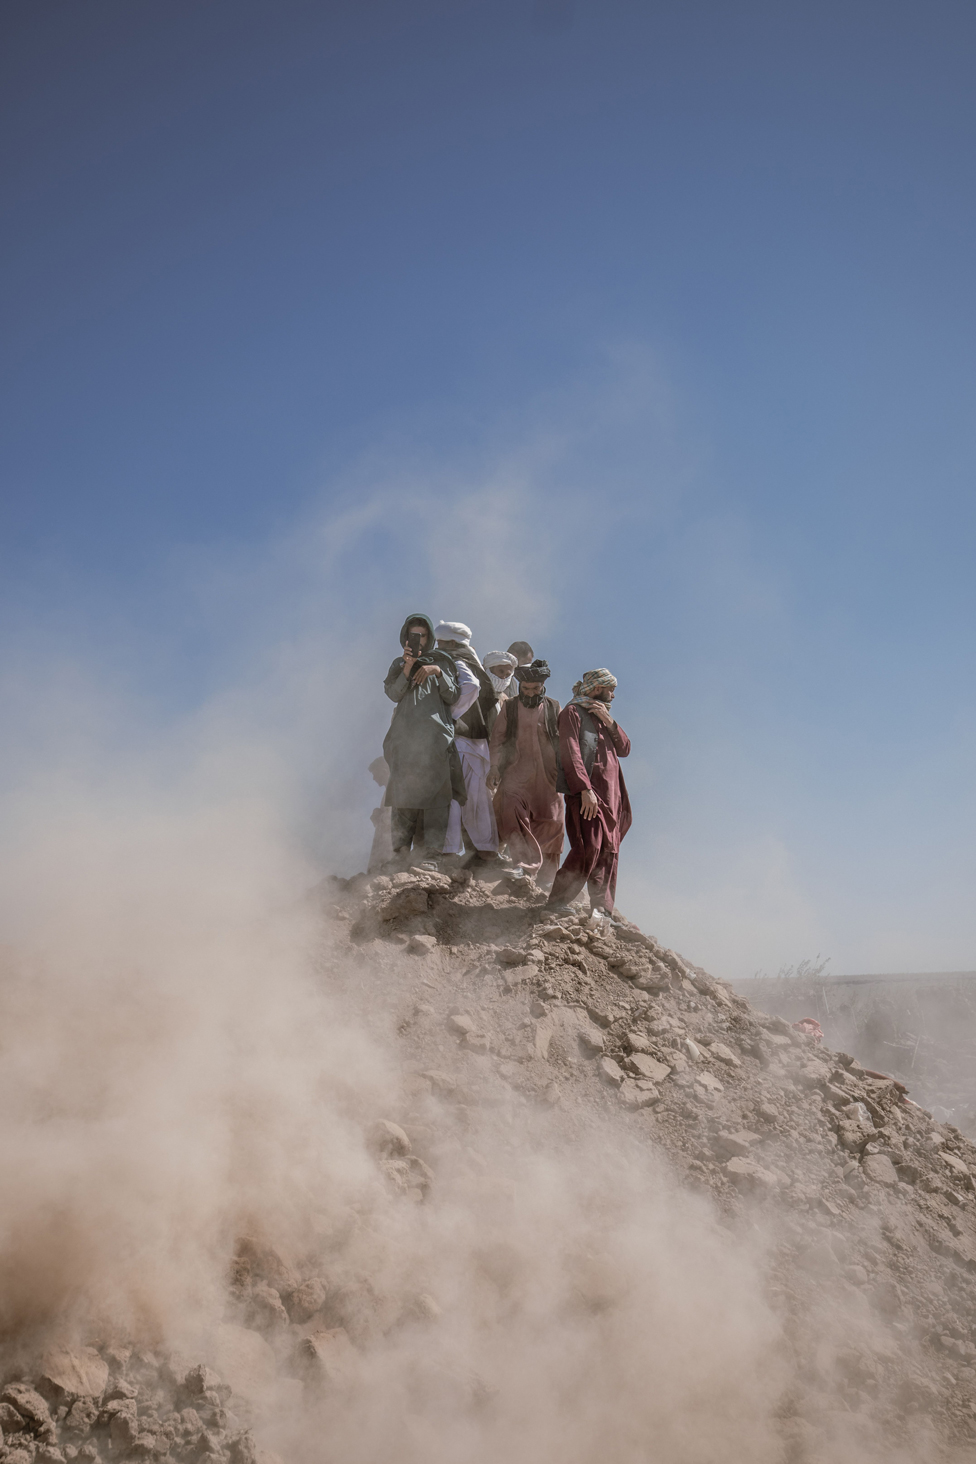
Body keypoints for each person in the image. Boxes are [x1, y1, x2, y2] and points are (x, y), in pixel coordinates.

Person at [547, 668, 632, 917]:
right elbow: (571, 752)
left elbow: (625, 748)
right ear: (597, 688)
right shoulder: (572, 712)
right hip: (587, 795)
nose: (614, 695)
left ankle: (603, 910)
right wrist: (584, 789)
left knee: (609, 851)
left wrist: (609, 722)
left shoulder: (603, 715)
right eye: (610, 689)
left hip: (611, 796)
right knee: (588, 847)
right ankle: (556, 904)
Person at [382, 613, 462, 862]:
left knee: (438, 796)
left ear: (430, 638)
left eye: (423, 636)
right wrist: (408, 665)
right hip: (405, 740)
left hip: (435, 739)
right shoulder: (398, 664)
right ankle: (400, 854)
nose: (418, 640)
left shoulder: (443, 662)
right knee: (403, 794)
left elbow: (453, 696)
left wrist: (436, 671)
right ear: (406, 638)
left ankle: (433, 855)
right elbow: (394, 694)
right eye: (413, 636)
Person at [487, 659, 564, 888]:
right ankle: (523, 864)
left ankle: (547, 880)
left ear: (543, 687)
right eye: (526, 689)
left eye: (535, 689)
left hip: (547, 775)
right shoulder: (510, 707)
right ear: (520, 687)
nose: (530, 693)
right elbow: (498, 739)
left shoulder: (553, 707)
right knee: (511, 811)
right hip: (516, 772)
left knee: (552, 822)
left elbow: (563, 741)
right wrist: (494, 767)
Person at [434, 621, 501, 862]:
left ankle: (450, 852)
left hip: (460, 740)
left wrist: (450, 716)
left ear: (451, 643)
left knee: (453, 795)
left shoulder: (454, 661)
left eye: (440, 643)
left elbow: (471, 687)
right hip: (478, 742)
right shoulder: (473, 662)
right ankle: (486, 850)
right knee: (477, 798)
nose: (437, 647)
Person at [366, 756, 393, 872]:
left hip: (389, 847)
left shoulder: (394, 791)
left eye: (374, 773)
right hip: (383, 844)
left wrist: (378, 816)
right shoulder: (388, 791)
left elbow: (391, 821)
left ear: (384, 771)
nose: (374, 778)